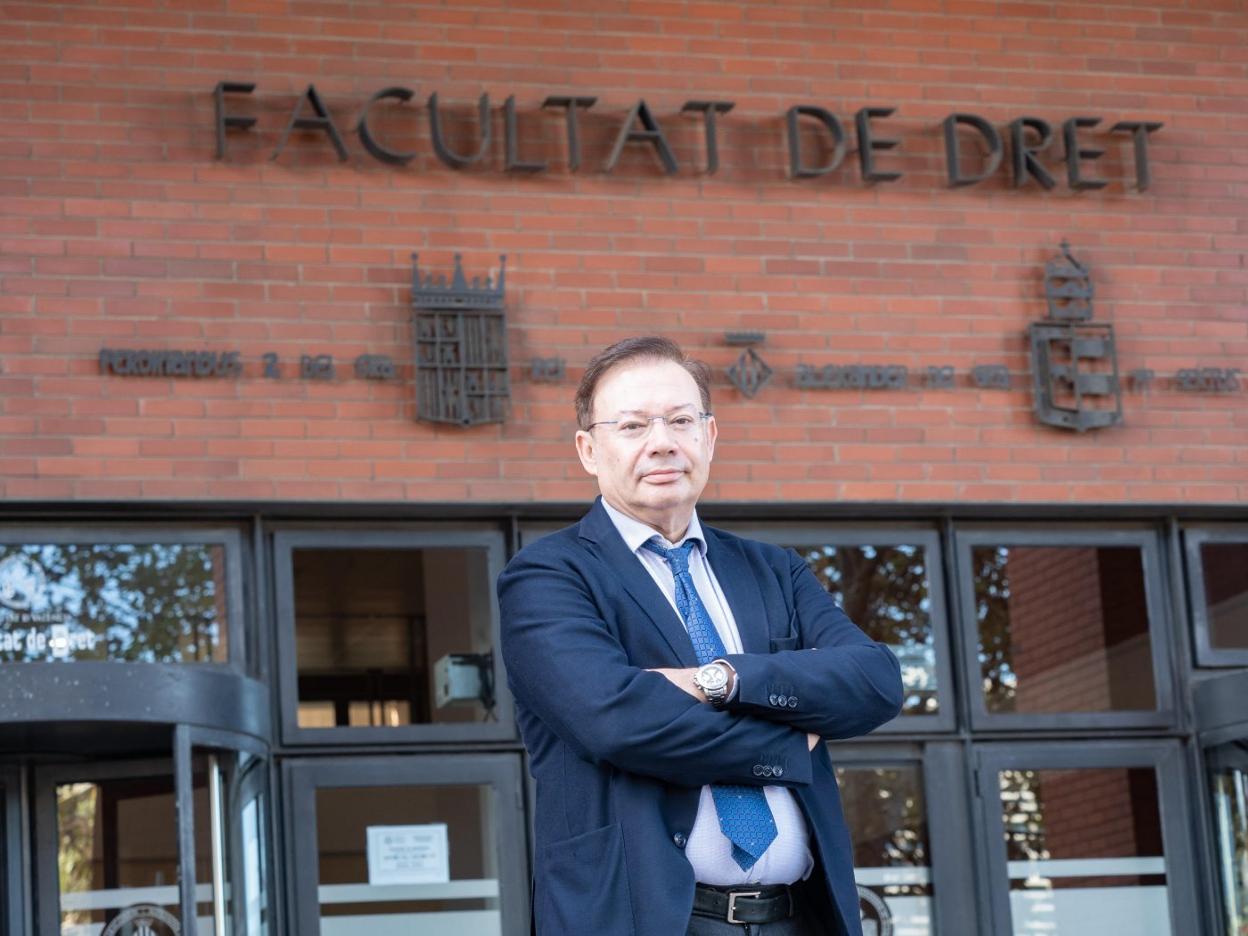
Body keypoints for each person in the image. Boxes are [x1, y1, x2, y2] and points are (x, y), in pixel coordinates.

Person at [497, 336, 904, 936]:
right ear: (589, 450)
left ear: (709, 436)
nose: (662, 441)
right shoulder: (548, 577)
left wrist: (725, 679)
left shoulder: (775, 571)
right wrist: (793, 740)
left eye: (681, 420)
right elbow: (618, 721)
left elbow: (875, 682)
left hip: (799, 919)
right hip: (647, 920)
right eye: (632, 425)